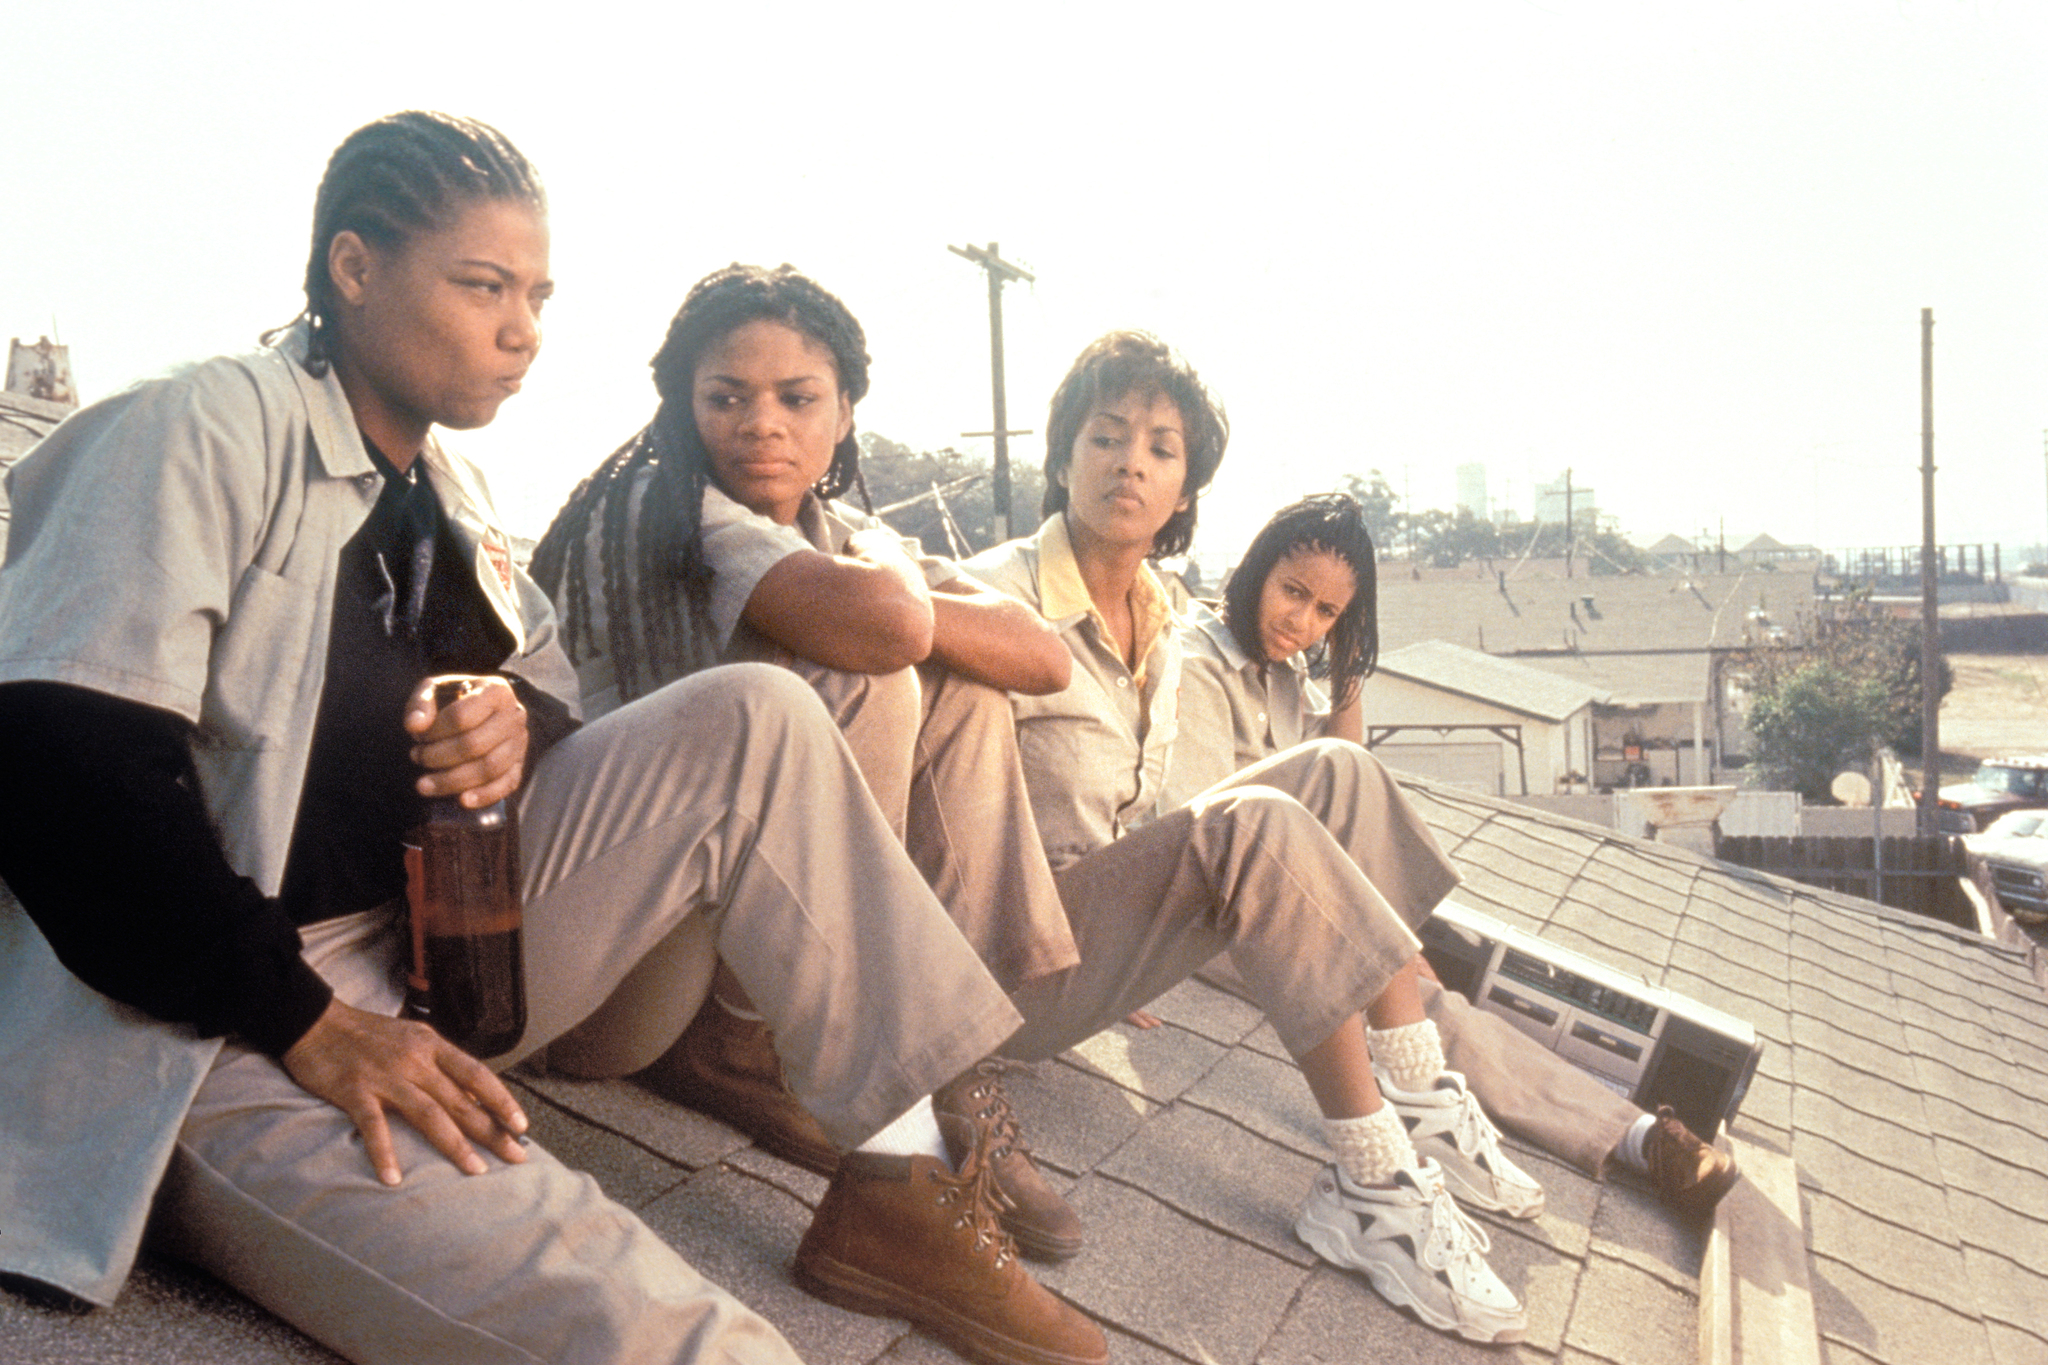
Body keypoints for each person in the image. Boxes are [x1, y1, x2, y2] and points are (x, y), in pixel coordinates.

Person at [0, 112, 1107, 1365]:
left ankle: (899, 1177)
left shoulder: (452, 494)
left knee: (756, 715)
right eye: (482, 287)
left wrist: (508, 726)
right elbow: (59, 770)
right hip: (216, 1029)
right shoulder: (199, 425)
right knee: (690, 1347)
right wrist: (309, 1018)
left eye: (535, 294)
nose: (522, 329)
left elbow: (549, 701)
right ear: (353, 269)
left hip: (441, 954)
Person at [961, 333, 1529, 1346]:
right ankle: (1369, 1185)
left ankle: (1419, 1088)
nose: (1128, 461)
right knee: (1260, 821)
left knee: (1337, 771)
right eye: (1103, 436)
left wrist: (1133, 929)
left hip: (1092, 945)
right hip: (997, 969)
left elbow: (1137, 822)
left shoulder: (1157, 615)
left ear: (1183, 493)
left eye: (1160, 448)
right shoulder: (988, 596)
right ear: (1060, 456)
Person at [529, 263, 1082, 1259]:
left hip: (715, 940)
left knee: (966, 689)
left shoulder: (841, 534)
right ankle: (752, 1043)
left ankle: (946, 1062)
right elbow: (882, 625)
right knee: (877, 676)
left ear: (844, 412)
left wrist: (901, 586)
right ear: (681, 408)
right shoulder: (672, 510)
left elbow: (1040, 656)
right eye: (725, 397)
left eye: (797, 398)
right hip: (608, 966)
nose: (761, 425)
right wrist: (905, 593)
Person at [1163, 492, 1741, 1221]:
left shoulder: (1276, 672)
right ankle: (1638, 1138)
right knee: (1431, 1004)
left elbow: (1342, 770)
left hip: (1286, 893)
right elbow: (1197, 841)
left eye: (1327, 614)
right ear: (1254, 570)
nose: (1301, 623)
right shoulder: (1195, 663)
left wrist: (1347, 666)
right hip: (1210, 913)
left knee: (1473, 973)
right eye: (1293, 593)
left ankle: (1636, 1106)